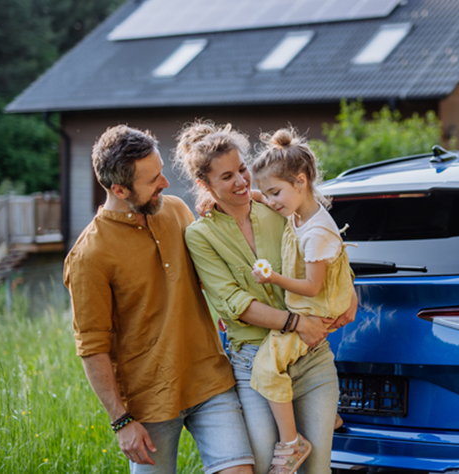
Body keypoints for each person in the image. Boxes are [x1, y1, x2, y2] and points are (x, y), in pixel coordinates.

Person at [64, 125, 253, 474]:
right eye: (152, 181)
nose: (165, 183)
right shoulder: (89, 256)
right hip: (149, 402)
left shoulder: (177, 210)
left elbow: (213, 274)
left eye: (161, 171)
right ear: (120, 190)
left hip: (210, 380)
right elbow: (92, 346)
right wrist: (121, 421)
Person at [174, 120, 357, 474]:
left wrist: (350, 289)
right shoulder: (201, 236)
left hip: (311, 358)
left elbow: (323, 245)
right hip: (256, 363)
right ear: (204, 185)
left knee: (316, 469)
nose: (241, 181)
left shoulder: (276, 206)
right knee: (264, 465)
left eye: (242, 169)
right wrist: (298, 322)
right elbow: (235, 304)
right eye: (227, 177)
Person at [247, 128, 354, 473]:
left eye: (275, 192)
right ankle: (327, 413)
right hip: (310, 307)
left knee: (266, 369)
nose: (271, 201)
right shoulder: (299, 211)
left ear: (301, 181)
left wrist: (272, 278)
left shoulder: (316, 232)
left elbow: (311, 286)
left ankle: (292, 443)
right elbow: (267, 196)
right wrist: (243, 196)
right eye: (267, 194)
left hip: (313, 309)